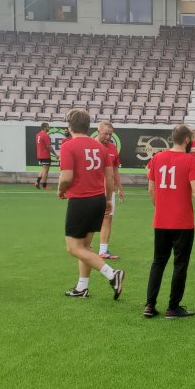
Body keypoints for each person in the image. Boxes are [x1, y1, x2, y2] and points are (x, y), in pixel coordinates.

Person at [145, 124, 195, 318]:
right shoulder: (190, 160)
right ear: (186, 140)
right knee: (180, 264)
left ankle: (149, 305)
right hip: (182, 222)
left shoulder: (157, 158)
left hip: (161, 221)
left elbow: (151, 189)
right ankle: (173, 307)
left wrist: (160, 208)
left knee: (158, 262)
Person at [58, 108, 124, 299]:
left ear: (70, 125)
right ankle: (82, 287)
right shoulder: (100, 147)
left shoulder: (68, 146)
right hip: (98, 199)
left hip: (81, 201)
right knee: (85, 247)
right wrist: (108, 200)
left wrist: (60, 189)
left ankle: (112, 274)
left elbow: (66, 177)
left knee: (74, 248)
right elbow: (109, 177)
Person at [96, 120, 124, 260]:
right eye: (105, 134)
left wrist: (120, 188)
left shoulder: (113, 148)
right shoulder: (90, 146)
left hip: (109, 190)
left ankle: (103, 251)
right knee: (89, 219)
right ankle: (83, 247)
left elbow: (115, 169)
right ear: (98, 131)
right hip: (93, 189)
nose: (108, 137)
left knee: (107, 218)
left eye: (110, 134)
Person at [34, 123, 52, 189]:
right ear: (44, 127)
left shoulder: (38, 134)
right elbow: (49, 146)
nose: (49, 128)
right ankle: (44, 186)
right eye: (48, 127)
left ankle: (37, 181)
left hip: (39, 155)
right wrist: (55, 154)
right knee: (45, 171)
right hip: (45, 155)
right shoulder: (45, 135)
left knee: (43, 169)